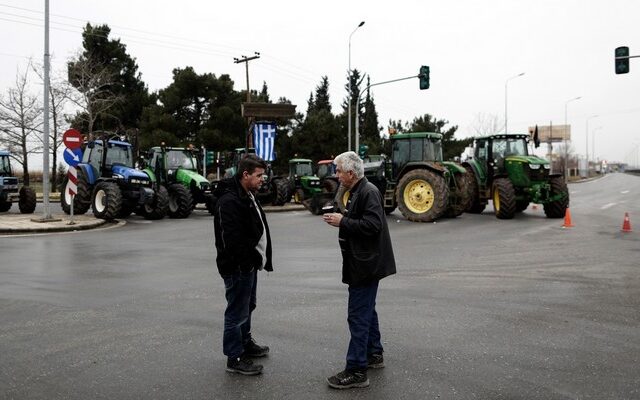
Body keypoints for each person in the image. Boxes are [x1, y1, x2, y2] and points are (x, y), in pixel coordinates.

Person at [322, 151, 397, 389]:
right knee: (367, 310)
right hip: (363, 262)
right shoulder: (358, 190)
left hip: (366, 265)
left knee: (358, 315)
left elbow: (373, 225)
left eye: (339, 171)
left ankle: (356, 370)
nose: (337, 175)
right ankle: (374, 354)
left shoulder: (368, 191)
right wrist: (343, 217)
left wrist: (342, 221)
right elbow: (364, 221)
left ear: (351, 173)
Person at [213, 154, 272, 376]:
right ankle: (234, 357)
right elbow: (232, 241)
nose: (262, 179)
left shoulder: (247, 194)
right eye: (258, 175)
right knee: (236, 311)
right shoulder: (230, 201)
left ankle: (245, 343)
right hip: (238, 268)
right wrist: (246, 263)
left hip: (248, 265)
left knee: (247, 307)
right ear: (245, 174)